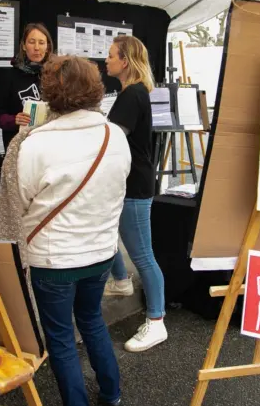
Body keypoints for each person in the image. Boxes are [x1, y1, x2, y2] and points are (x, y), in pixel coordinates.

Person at [0, 55, 130, 406]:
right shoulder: (114, 135)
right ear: (95, 88)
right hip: (101, 251)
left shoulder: (35, 144)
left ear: (50, 91)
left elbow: (21, 201)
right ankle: (112, 394)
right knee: (92, 320)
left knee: (60, 338)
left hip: (53, 258)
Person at [104, 36, 167, 352]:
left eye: (111, 55)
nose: (106, 60)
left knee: (142, 255)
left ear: (125, 61)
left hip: (135, 185)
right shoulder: (132, 92)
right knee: (106, 233)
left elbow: (112, 140)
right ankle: (120, 281)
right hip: (127, 181)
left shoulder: (132, 95)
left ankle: (156, 321)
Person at [0, 23, 54, 149]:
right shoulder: (10, 76)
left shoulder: (55, 75)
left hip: (48, 145)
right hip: (19, 147)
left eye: (41, 43)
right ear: (24, 46)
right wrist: (14, 120)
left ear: (47, 47)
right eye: (32, 42)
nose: (36, 48)